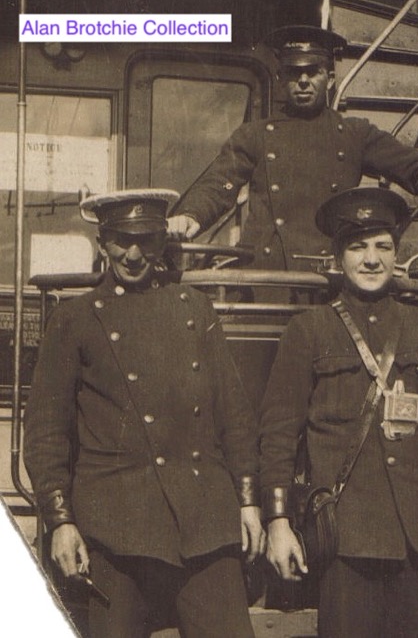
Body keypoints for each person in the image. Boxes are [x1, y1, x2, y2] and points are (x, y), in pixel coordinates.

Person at [24, 189, 264, 638]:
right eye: (120, 240)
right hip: (115, 525)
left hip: (204, 520)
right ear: (102, 242)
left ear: (162, 241)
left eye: (147, 240)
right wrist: (61, 521)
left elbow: (235, 415)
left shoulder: (195, 307)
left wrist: (248, 500)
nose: (133, 254)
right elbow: (46, 434)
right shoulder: (75, 319)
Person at [259, 187, 418, 637]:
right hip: (346, 540)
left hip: (415, 537)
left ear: (397, 253)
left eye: (383, 246)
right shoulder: (308, 331)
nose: (371, 259)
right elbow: (279, 434)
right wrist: (278, 522)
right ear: (337, 257)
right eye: (357, 247)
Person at [168, 25, 418, 271]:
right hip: (267, 279)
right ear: (280, 78)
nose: (303, 81)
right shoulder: (254, 135)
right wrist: (191, 215)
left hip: (329, 281)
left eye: (313, 71)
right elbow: (218, 184)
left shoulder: (354, 134)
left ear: (331, 78)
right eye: (293, 73)